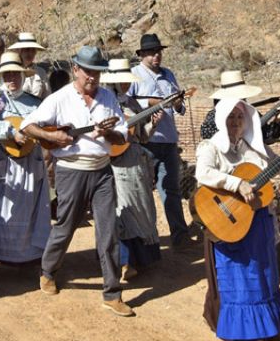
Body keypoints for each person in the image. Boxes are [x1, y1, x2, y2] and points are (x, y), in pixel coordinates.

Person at [195, 98, 280, 341]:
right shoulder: (211, 147)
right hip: (229, 224)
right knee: (240, 283)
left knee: (263, 278)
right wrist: (236, 183)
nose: (235, 122)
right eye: (230, 117)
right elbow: (203, 173)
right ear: (221, 120)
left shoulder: (254, 147)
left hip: (258, 224)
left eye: (239, 118)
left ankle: (263, 334)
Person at [21, 45, 133, 317]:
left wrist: (108, 135)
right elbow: (27, 126)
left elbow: (121, 137)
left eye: (97, 72)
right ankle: (48, 271)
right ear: (75, 70)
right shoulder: (59, 99)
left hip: (103, 170)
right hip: (71, 170)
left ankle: (112, 292)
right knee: (66, 225)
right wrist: (53, 138)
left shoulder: (108, 98)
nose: (92, 77)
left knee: (108, 231)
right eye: (88, 72)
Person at [0, 52, 51, 264]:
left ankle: (20, 257)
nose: (12, 78)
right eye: (7, 74)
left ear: (23, 76)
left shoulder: (35, 104)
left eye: (15, 74)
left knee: (24, 209)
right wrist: (10, 132)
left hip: (27, 163)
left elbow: (43, 127)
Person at [127, 34, 191, 249]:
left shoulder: (169, 74)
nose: (157, 56)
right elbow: (126, 102)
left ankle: (180, 236)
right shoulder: (134, 75)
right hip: (146, 140)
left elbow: (179, 107)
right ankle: (148, 240)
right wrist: (151, 102)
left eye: (159, 52)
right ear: (142, 55)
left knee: (172, 190)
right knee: (143, 192)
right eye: (152, 52)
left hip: (169, 140)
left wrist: (178, 103)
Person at [101, 59, 162, 281]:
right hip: (113, 162)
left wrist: (153, 123)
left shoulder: (134, 105)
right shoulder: (104, 104)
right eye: (121, 81)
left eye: (127, 81)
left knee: (141, 208)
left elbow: (142, 136)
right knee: (120, 209)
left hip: (135, 162)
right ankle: (124, 261)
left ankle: (142, 258)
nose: (125, 85)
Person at [200, 70, 280, 144]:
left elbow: (267, 137)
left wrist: (277, 120)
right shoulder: (215, 115)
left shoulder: (251, 112)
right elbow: (208, 136)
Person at [7, 32, 50, 98]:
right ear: (19, 51)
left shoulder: (41, 72)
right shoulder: (11, 71)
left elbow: (47, 97)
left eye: (33, 50)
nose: (30, 53)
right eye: (27, 50)